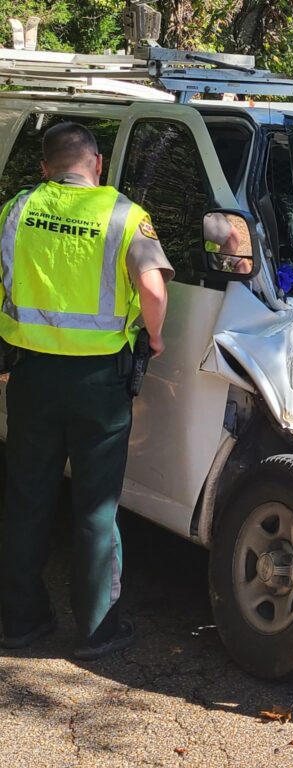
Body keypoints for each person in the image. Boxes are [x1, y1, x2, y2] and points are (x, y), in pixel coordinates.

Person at [0, 122, 173, 660]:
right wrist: (156, 336)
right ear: (96, 164)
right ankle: (98, 631)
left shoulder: (16, 211)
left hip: (29, 375)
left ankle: (20, 623)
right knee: (95, 508)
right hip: (99, 382)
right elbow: (152, 287)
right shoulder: (124, 215)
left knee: (26, 499)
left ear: (46, 167)